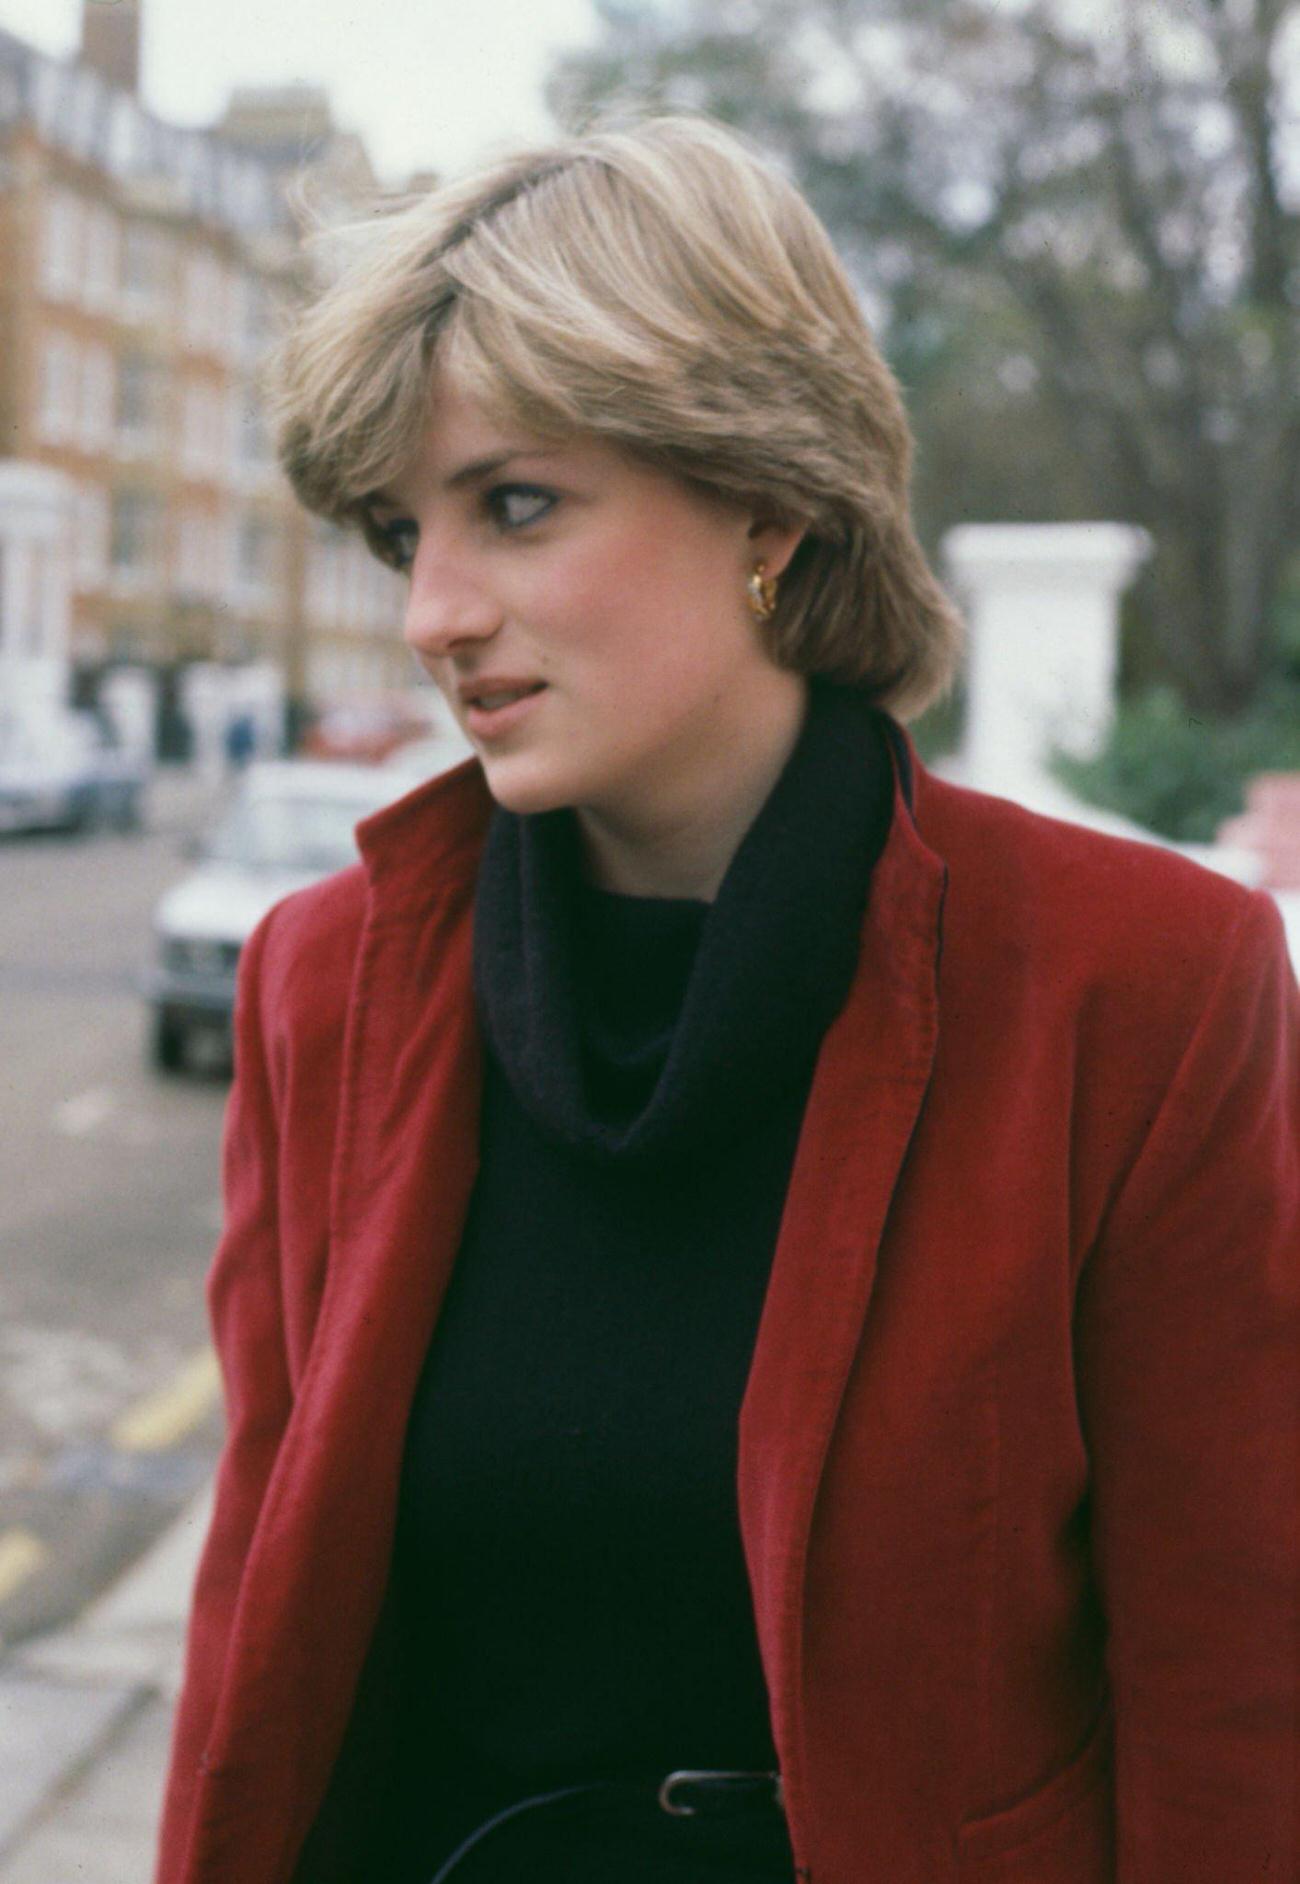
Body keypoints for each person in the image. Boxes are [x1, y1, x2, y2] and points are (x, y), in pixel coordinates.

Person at [154, 117, 1299, 1884]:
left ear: (768, 496)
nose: (435, 613)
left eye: (516, 505)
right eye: (400, 533)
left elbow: (1232, 1683)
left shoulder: (1138, 984)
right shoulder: (328, 982)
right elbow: (257, 1630)